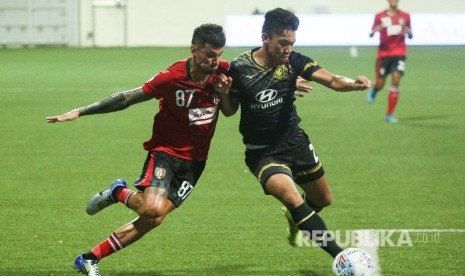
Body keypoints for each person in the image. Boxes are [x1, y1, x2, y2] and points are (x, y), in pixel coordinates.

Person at [46, 23, 232, 275]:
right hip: (166, 153)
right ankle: (118, 192)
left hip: (196, 161)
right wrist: (80, 111)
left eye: (219, 54)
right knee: (151, 208)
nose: (215, 60)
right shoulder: (171, 77)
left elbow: (230, 111)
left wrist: (226, 93)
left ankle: (89, 258)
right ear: (194, 50)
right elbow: (126, 98)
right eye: (210, 54)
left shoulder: (224, 74)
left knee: (153, 218)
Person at [218, 8, 371, 260]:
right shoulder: (240, 67)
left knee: (323, 199)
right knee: (291, 196)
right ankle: (342, 257)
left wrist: (352, 84)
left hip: (295, 141)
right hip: (263, 152)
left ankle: (295, 217)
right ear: (265, 37)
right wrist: (224, 93)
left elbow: (331, 79)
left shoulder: (295, 62)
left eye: (292, 43)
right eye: (283, 43)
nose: (288, 48)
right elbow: (229, 110)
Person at [367, 0, 412, 123]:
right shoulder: (380, 16)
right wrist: (378, 28)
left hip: (399, 54)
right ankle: (375, 90)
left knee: (396, 80)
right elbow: (371, 33)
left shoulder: (405, 16)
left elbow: (411, 33)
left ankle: (389, 114)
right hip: (384, 55)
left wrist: (406, 30)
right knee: (380, 83)